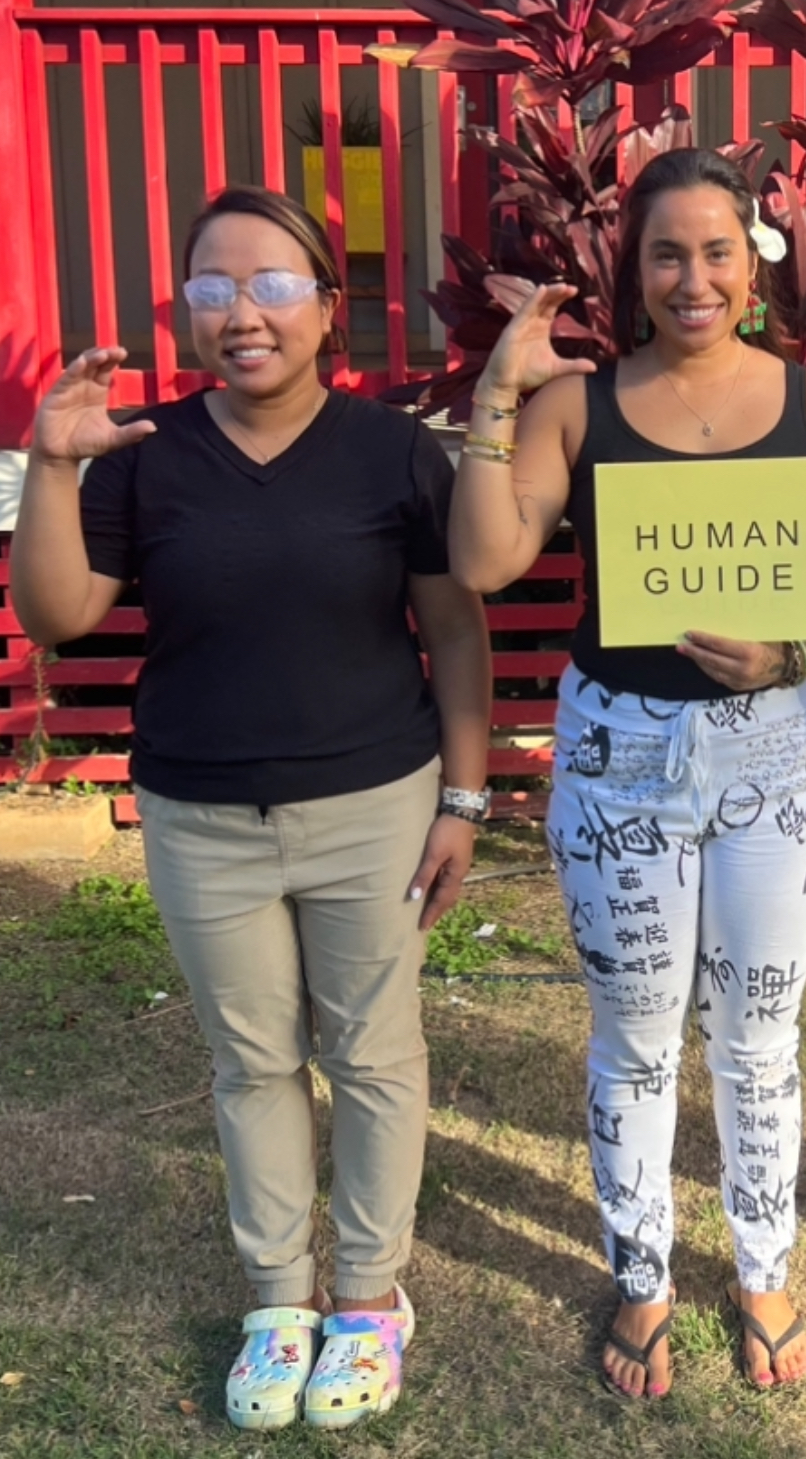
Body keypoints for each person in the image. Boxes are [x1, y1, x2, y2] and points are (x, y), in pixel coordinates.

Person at [11, 185, 491, 1432]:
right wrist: (53, 469)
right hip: (203, 817)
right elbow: (58, 615)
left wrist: (465, 796)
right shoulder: (146, 452)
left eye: (273, 285)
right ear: (186, 309)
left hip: (376, 804)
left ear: (330, 309)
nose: (244, 313)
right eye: (213, 288)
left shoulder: (392, 451)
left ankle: (373, 1299)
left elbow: (452, 625)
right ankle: (281, 1301)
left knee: (374, 1056)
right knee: (252, 1062)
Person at [448, 148, 806, 1399]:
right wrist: (497, 391)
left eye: (716, 252)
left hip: (773, 754)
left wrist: (794, 643)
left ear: (751, 265)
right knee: (633, 1040)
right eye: (665, 254)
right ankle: (642, 1275)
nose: (693, 278)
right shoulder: (577, 407)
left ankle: (764, 1270)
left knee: (760, 1039)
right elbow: (482, 563)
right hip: (621, 758)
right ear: (630, 271)